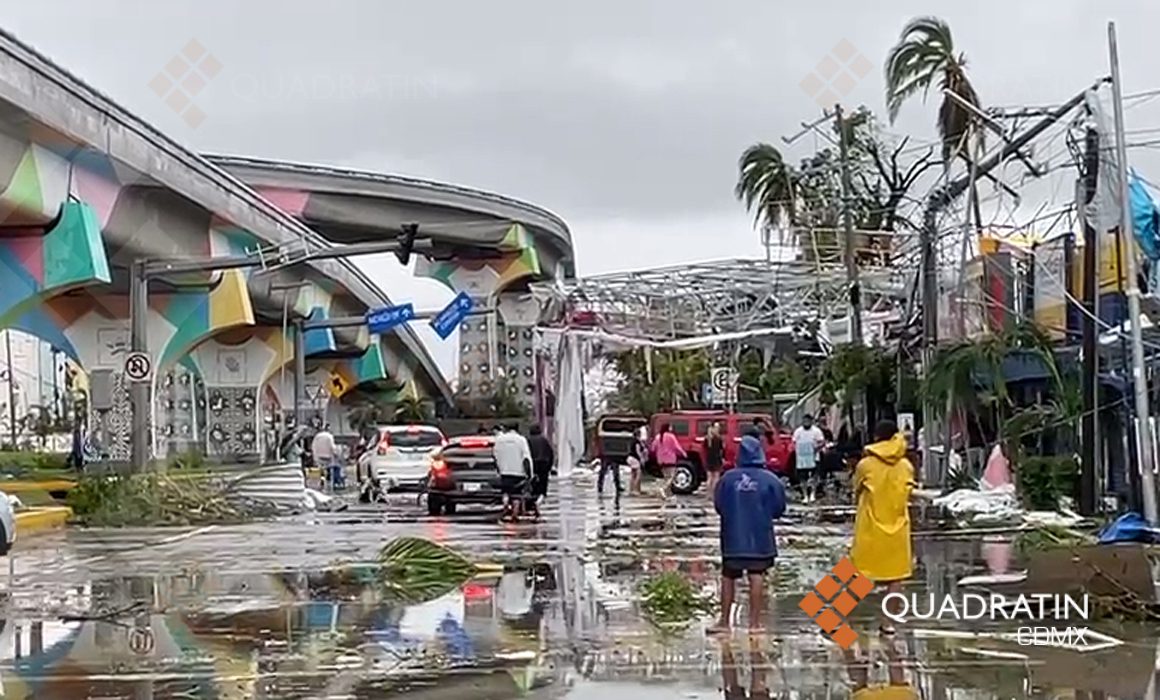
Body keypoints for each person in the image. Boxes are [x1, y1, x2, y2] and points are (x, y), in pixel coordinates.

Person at [711, 434, 786, 633]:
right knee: (756, 575)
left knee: (728, 576)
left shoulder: (727, 479)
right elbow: (779, 509)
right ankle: (754, 624)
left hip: (733, 538)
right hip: (760, 537)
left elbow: (719, 506)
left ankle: (724, 622)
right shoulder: (771, 480)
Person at [850, 419, 916, 636]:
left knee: (858, 574)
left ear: (876, 437)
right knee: (895, 579)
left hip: (870, 528)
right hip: (898, 529)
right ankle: (888, 623)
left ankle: (835, 618)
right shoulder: (906, 466)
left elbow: (857, 491)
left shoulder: (865, 465)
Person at [494, 423, 533, 521]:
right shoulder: (521, 440)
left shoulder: (499, 440)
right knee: (517, 494)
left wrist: (499, 468)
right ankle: (514, 514)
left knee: (506, 492)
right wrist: (529, 474)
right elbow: (526, 458)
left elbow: (495, 455)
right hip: (518, 472)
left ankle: (505, 505)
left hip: (504, 471)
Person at [792, 415, 825, 502]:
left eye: (808, 420)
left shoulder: (816, 431)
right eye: (804, 420)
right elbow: (794, 442)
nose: (806, 422)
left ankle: (813, 494)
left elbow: (822, 442)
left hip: (814, 457)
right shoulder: (798, 431)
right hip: (802, 458)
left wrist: (815, 448)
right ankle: (805, 495)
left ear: (811, 421)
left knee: (814, 476)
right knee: (802, 477)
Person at [650, 422, 687, 496]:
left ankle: (668, 493)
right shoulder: (671, 436)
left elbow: (653, 448)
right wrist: (683, 453)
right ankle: (663, 488)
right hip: (670, 459)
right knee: (671, 477)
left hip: (661, 460)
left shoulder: (658, 437)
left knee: (666, 477)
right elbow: (677, 447)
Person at [527, 424, 555, 507]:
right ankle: (542, 496)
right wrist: (550, 466)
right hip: (544, 463)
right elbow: (550, 453)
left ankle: (533, 495)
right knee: (543, 481)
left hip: (533, 462)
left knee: (532, 480)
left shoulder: (528, 440)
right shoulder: (544, 440)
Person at [311, 424, 341, 491]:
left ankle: (322, 482)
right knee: (334, 468)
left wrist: (314, 457)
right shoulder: (329, 436)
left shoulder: (317, 436)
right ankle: (334, 483)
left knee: (321, 470)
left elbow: (313, 446)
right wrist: (336, 454)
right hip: (328, 457)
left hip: (318, 456)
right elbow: (332, 447)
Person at [704, 421, 725, 493]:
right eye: (718, 427)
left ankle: (708, 494)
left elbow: (704, 448)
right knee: (716, 477)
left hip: (709, 459)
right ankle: (714, 493)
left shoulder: (707, 438)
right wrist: (723, 458)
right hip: (717, 459)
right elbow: (722, 449)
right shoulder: (719, 438)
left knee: (709, 478)